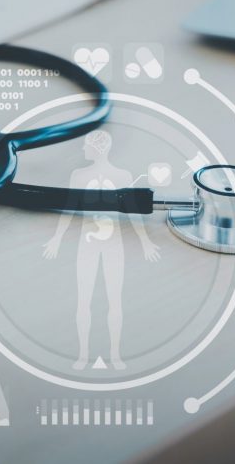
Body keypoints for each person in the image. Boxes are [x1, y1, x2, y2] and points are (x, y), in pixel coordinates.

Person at [43, 130, 160, 370]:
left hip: (114, 244)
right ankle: (83, 355)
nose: (82, 149)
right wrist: (56, 238)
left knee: (114, 301)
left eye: (86, 145)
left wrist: (146, 242)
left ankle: (115, 355)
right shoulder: (79, 175)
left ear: (97, 149)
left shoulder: (122, 176)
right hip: (86, 244)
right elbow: (67, 203)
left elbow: (134, 210)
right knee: (83, 300)